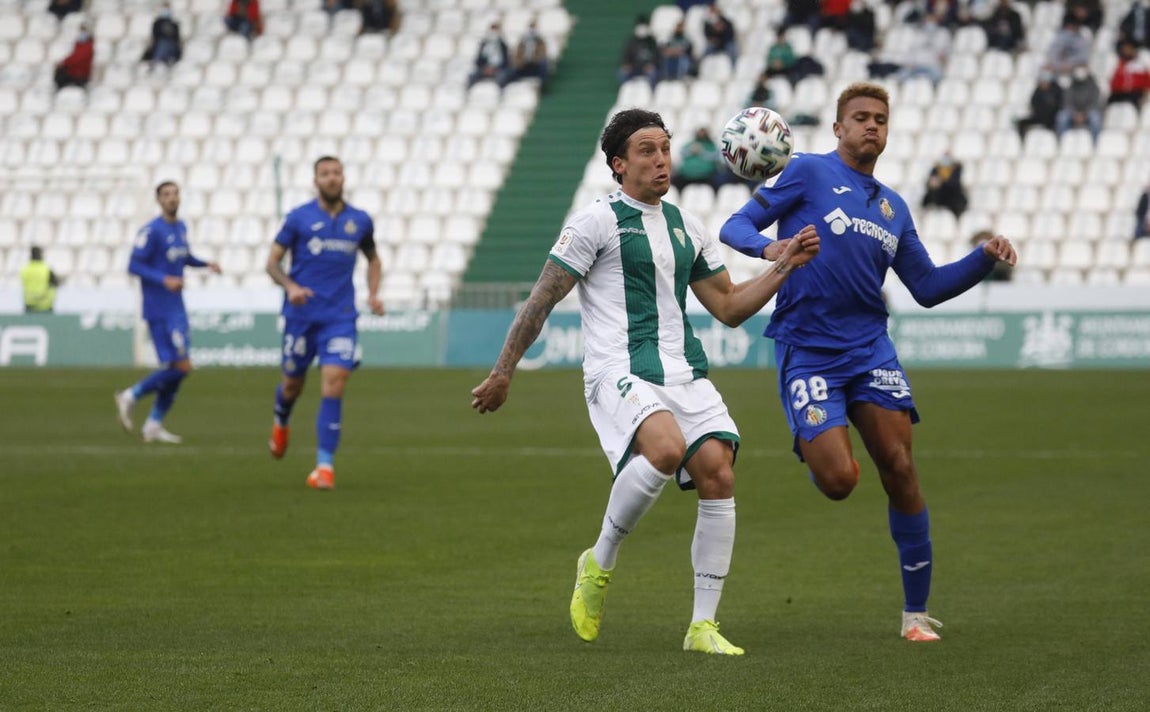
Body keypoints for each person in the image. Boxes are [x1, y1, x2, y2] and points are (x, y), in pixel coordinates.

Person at [470, 108, 821, 656]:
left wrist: (786, 265)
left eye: (665, 147)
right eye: (646, 150)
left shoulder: (688, 226)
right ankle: (599, 562)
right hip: (618, 370)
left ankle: (702, 626)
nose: (662, 159)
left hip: (683, 372)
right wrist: (502, 371)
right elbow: (541, 299)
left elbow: (728, 307)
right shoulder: (596, 222)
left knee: (718, 474)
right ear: (618, 164)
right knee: (664, 449)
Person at [719, 81, 1017, 643]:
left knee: (900, 468)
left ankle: (914, 615)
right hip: (807, 348)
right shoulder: (805, 172)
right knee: (838, 482)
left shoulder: (893, 207)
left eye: (880, 118)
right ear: (838, 128)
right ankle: (815, 440)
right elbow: (733, 227)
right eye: (859, 117)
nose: (871, 125)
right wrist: (771, 249)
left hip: (869, 349)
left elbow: (926, 287)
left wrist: (983, 259)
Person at [265, 156, 385, 491]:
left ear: (344, 177)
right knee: (292, 386)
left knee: (335, 382)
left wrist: (374, 293)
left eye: (336, 173)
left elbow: (374, 260)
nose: (332, 179)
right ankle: (281, 421)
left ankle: (324, 467)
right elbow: (272, 263)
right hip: (301, 317)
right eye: (325, 174)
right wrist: (290, 287)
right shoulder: (298, 218)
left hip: (340, 317)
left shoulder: (359, 221)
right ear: (315, 180)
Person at [115, 182, 222, 444]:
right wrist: (164, 279)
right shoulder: (151, 231)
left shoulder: (180, 227)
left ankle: (153, 425)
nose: (172, 199)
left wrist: (205, 264)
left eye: (175, 194)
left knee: (177, 367)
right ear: (158, 200)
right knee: (182, 366)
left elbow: (183, 257)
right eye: (166, 195)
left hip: (176, 308)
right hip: (158, 309)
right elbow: (133, 265)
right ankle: (131, 395)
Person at [1055, 65, 1103, 142]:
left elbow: (1095, 102)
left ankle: (1095, 143)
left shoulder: (1093, 86)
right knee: (1062, 117)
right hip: (1073, 113)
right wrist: (1075, 114)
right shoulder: (1070, 86)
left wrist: (1084, 113)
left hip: (1088, 112)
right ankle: (1061, 142)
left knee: (1095, 119)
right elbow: (1067, 102)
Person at [1014, 70, 1063, 137]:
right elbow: (1034, 103)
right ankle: (1022, 141)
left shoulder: (1056, 90)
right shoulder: (1038, 91)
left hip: (1052, 117)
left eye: (1045, 82)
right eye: (1042, 82)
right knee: (1022, 123)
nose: (1043, 84)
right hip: (1039, 116)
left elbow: (1058, 105)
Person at [617, 15, 659, 87]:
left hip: (647, 68)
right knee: (622, 73)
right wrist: (626, 64)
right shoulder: (631, 41)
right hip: (634, 68)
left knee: (653, 73)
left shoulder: (652, 42)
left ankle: (651, 93)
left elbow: (657, 56)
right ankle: (626, 91)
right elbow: (626, 55)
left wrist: (652, 64)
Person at [921, 151, 968, 217]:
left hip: (952, 198)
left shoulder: (956, 168)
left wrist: (941, 183)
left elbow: (955, 184)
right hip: (939, 197)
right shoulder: (936, 169)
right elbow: (931, 182)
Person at [468, 21, 512, 89]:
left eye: (495, 31)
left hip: (498, 69)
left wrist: (495, 69)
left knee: (502, 77)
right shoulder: (483, 44)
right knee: (472, 76)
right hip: (484, 69)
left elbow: (506, 61)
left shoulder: (503, 46)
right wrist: (484, 69)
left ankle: (500, 95)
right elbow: (478, 60)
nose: (493, 33)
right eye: (492, 31)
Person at [1107, 41, 1150, 107]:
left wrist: (1145, 94)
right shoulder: (1120, 65)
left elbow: (1147, 82)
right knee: (1111, 100)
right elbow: (1114, 82)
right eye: (1124, 50)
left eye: (1127, 49)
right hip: (1120, 93)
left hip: (1135, 93)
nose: (1126, 51)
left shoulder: (1141, 65)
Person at [141, 2, 183, 69]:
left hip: (172, 46)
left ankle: (160, 61)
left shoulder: (174, 24)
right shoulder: (157, 23)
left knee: (167, 44)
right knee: (163, 44)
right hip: (159, 45)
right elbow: (154, 36)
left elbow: (177, 38)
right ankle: (157, 61)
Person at [20, 246, 61, 313]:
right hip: (45, 305)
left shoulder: (25, 270)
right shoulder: (47, 269)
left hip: (29, 305)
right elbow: (55, 284)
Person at [54, 23, 94, 91]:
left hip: (81, 74)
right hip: (73, 72)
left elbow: (78, 58)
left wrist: (65, 62)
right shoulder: (78, 44)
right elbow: (74, 56)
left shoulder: (88, 46)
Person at [512, 20, 550, 85]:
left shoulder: (540, 41)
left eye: (534, 28)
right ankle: (516, 83)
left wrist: (534, 59)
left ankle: (542, 84)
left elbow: (543, 53)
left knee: (544, 62)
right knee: (513, 67)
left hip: (535, 63)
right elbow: (517, 54)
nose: (532, 30)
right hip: (524, 63)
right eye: (531, 27)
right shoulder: (522, 41)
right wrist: (521, 61)